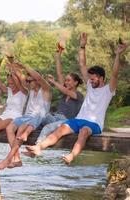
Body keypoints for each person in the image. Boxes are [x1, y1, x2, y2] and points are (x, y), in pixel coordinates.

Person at [26, 33, 128, 165]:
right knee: (61, 129)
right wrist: (82, 46)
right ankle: (38, 148)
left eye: (93, 78)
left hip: (94, 124)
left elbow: (114, 74)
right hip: (78, 119)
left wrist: (118, 54)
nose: (90, 81)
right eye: (89, 78)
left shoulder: (108, 90)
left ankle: (71, 156)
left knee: (84, 131)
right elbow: (82, 64)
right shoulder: (90, 86)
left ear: (101, 78)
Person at [24, 44, 84, 151]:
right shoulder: (65, 93)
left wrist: (53, 82)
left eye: (69, 80)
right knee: (42, 114)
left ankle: (37, 147)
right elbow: (59, 73)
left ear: (75, 83)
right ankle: (24, 132)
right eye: (65, 80)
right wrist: (58, 57)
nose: (66, 82)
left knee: (47, 127)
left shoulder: (78, 95)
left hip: (67, 122)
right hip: (55, 117)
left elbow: (64, 89)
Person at [0, 63, 52, 170]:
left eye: (30, 81)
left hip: (38, 117)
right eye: (27, 81)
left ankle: (8, 159)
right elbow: (20, 77)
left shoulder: (45, 89)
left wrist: (25, 66)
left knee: (21, 129)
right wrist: (12, 66)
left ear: (37, 81)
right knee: (9, 128)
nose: (27, 83)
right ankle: (17, 159)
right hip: (26, 117)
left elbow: (39, 78)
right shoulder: (30, 90)